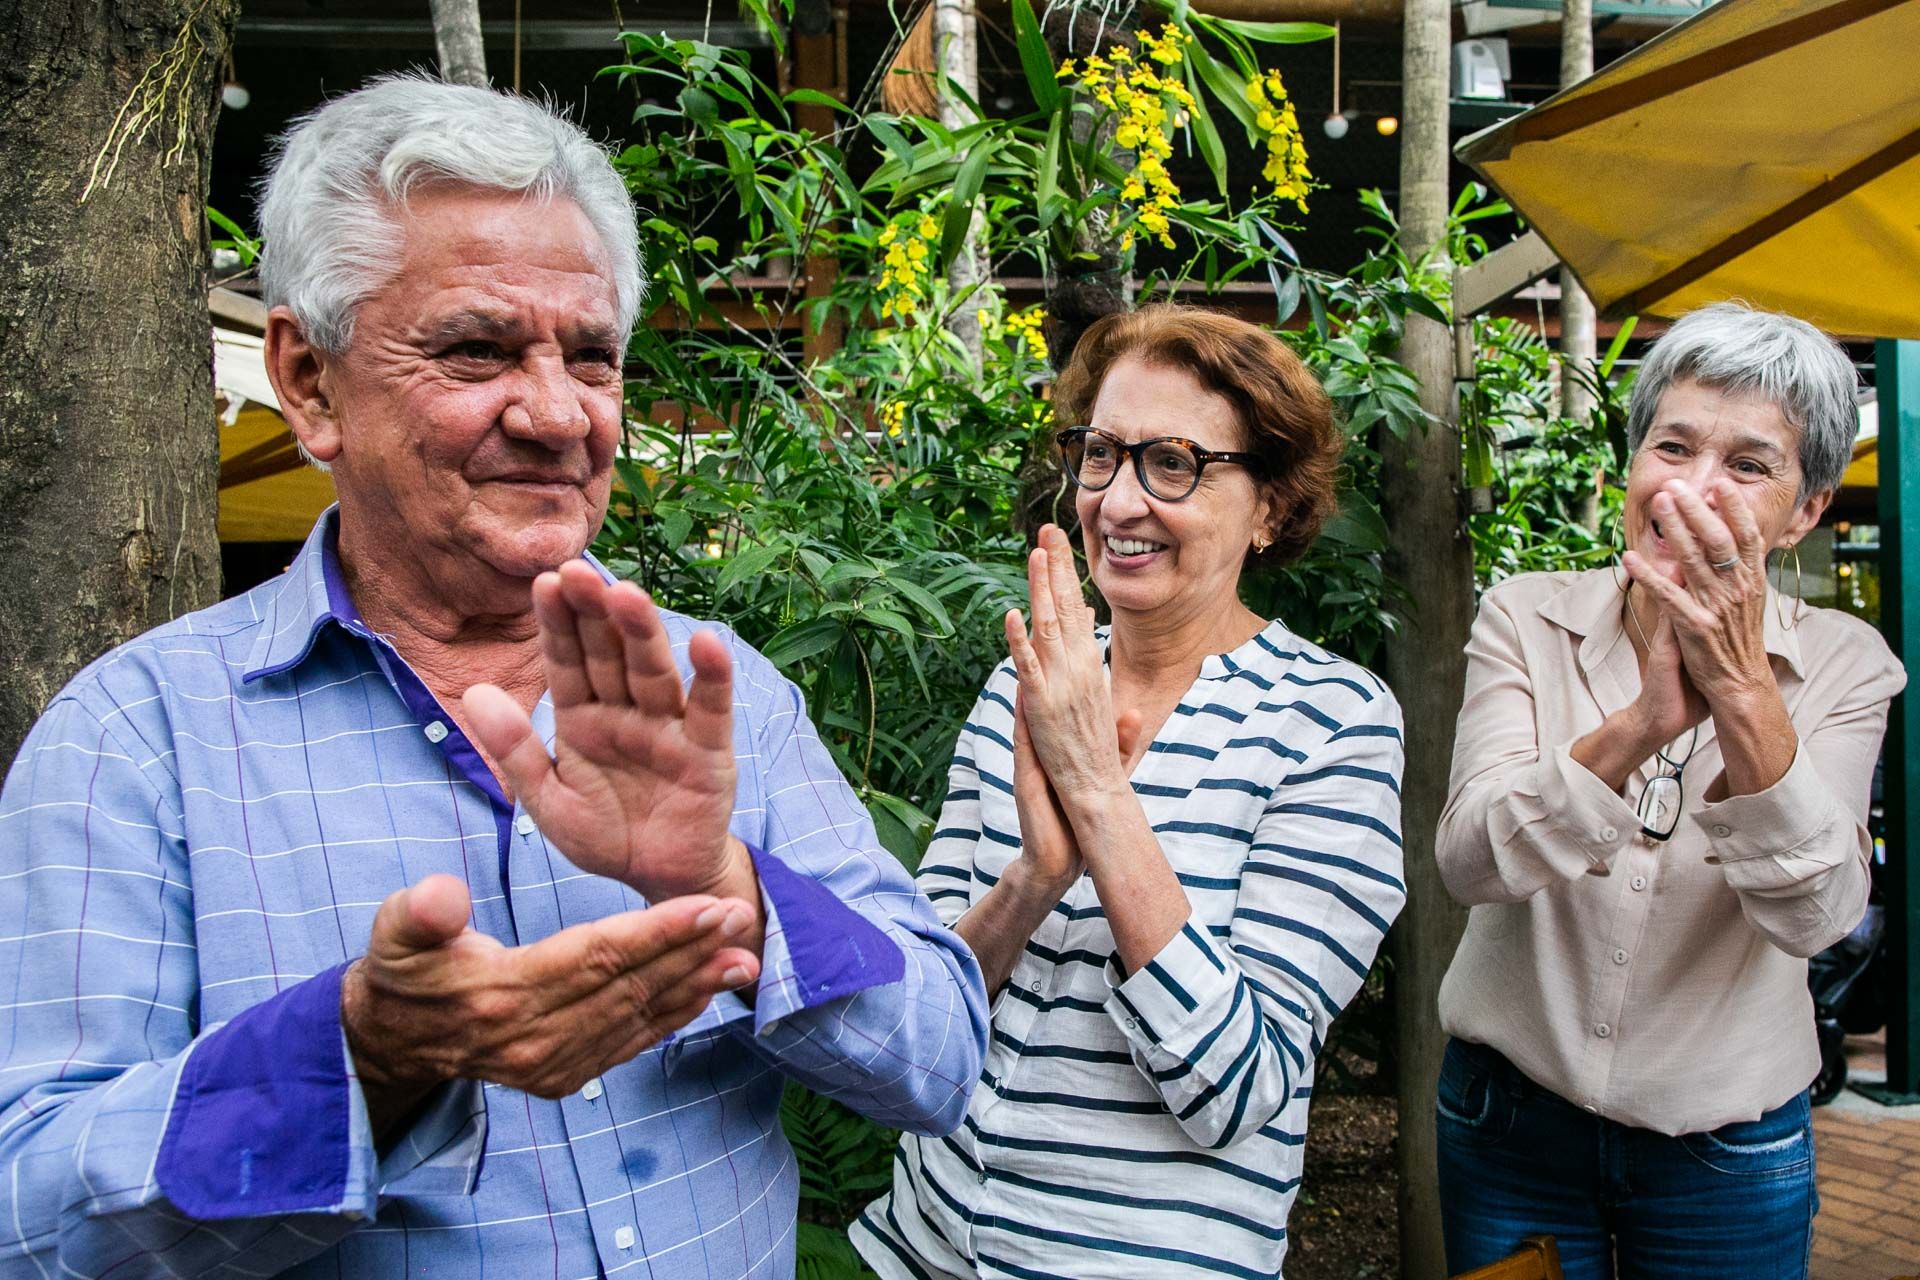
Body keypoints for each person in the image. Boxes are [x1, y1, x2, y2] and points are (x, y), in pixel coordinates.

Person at [0, 74, 986, 1278]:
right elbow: (31, 1217)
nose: (559, 413)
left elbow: (940, 1057)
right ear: (310, 384)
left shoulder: (723, 697)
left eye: (593, 355)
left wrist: (725, 879)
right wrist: (366, 1058)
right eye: (476, 349)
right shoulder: (135, 737)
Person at [852, 305, 1408, 1279]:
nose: (1117, 499)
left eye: (1174, 462)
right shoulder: (1028, 682)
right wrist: (1034, 876)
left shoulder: (1332, 721)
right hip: (921, 1246)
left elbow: (1238, 1091)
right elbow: (919, 1011)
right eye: (1102, 453)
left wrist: (1102, 800)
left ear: (1271, 506)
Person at [1434, 302, 1904, 1278]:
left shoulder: (1848, 665)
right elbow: (1470, 859)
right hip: (1509, 1120)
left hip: (1726, 1149)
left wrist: (1738, 689)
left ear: (1807, 508)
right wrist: (1640, 724)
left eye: (1748, 465)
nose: (1693, 490)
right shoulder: (1525, 617)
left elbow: (1821, 913)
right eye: (1673, 445)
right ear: (1630, 464)